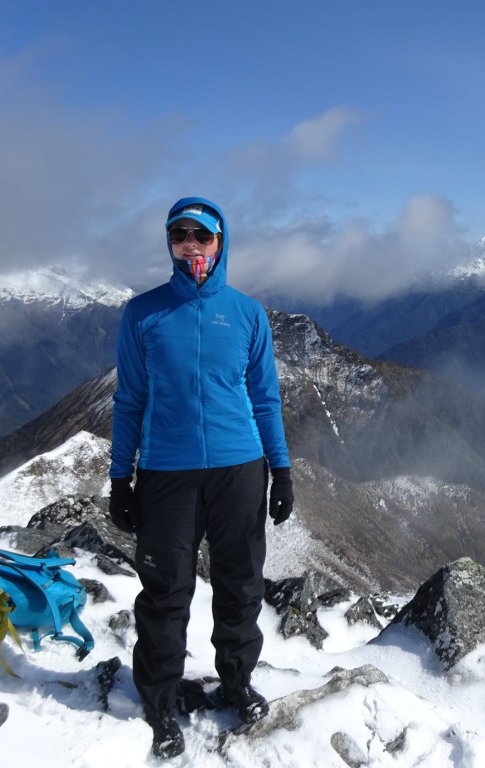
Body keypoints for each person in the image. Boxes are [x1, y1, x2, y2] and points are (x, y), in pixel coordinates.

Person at [107, 197, 294, 759]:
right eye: (179, 235)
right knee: (166, 591)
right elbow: (128, 400)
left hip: (240, 468)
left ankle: (236, 681)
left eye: (202, 236)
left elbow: (265, 399)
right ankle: (160, 702)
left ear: (220, 242)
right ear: (169, 243)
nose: (191, 244)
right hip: (167, 471)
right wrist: (121, 478)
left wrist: (280, 470)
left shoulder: (246, 314)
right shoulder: (142, 314)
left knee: (241, 583)